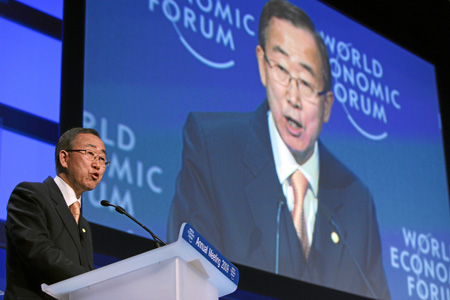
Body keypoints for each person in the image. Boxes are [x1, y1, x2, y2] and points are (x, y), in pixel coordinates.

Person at [167, 0, 391, 298]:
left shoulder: (355, 200)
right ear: (262, 66)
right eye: (282, 70)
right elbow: (186, 275)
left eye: (308, 84)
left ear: (327, 105)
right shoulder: (212, 146)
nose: (293, 97)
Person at [4, 127, 110, 300]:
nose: (97, 164)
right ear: (64, 158)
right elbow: (40, 253)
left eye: (102, 158)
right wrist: (97, 283)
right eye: (90, 153)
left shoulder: (83, 225)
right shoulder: (30, 195)